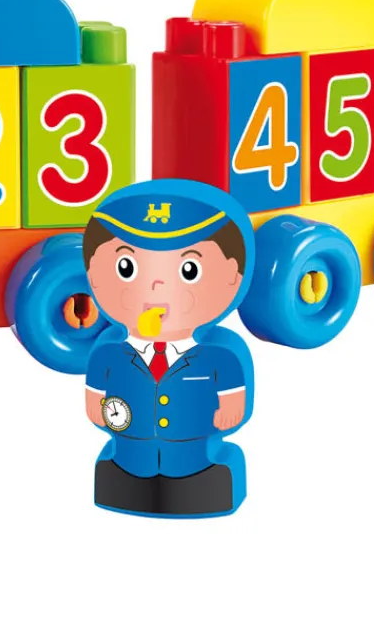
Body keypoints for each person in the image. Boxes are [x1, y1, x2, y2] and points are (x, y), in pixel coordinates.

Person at [82, 179, 256, 518]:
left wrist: (231, 408)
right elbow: (95, 398)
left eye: (189, 270)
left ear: (234, 276)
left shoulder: (221, 356)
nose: (156, 286)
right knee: (122, 482)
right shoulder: (107, 353)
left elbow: (235, 404)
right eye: (127, 268)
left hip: (197, 467)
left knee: (203, 486)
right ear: (92, 273)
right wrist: (95, 405)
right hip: (126, 463)